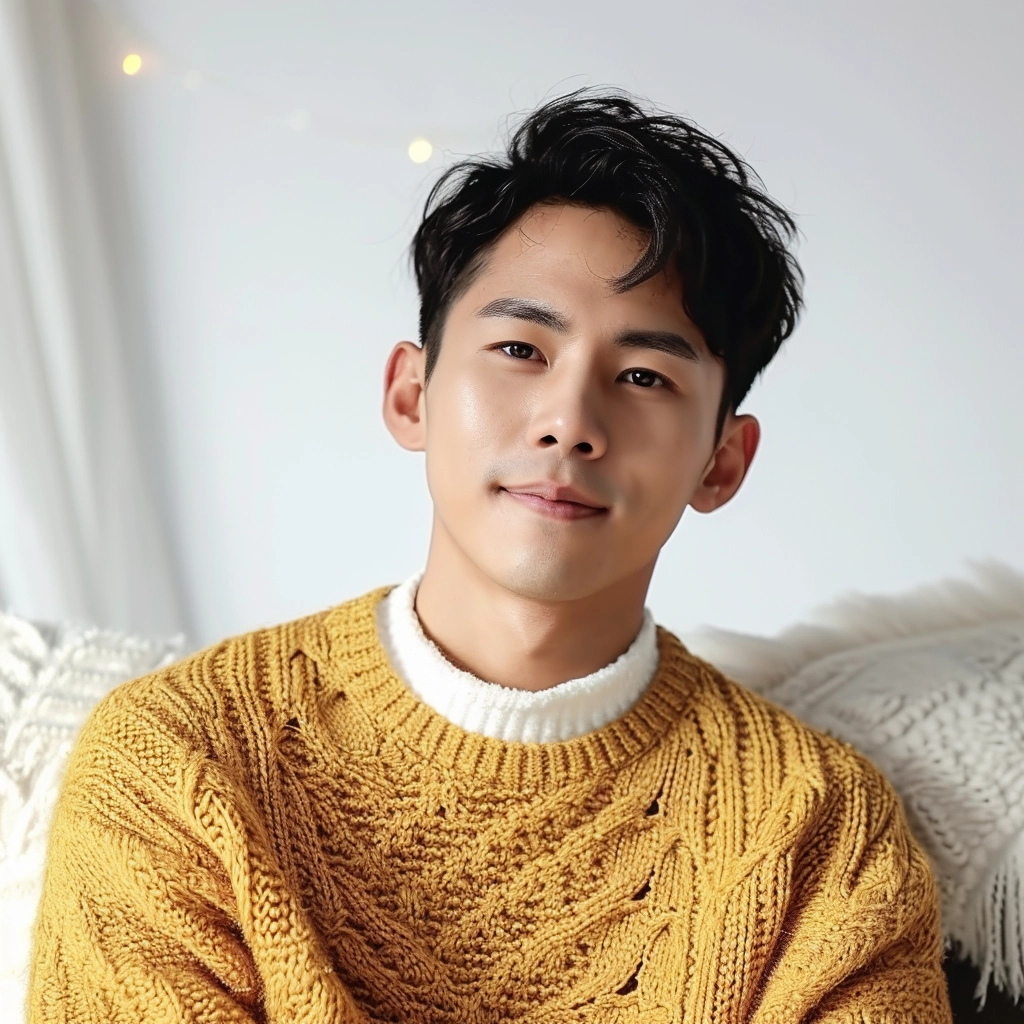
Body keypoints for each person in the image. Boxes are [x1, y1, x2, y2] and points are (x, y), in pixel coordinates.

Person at [28, 90, 953, 1023]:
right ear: (411, 395)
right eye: (521, 347)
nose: (570, 422)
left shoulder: (819, 832)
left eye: (644, 376)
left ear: (722, 461)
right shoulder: (179, 758)